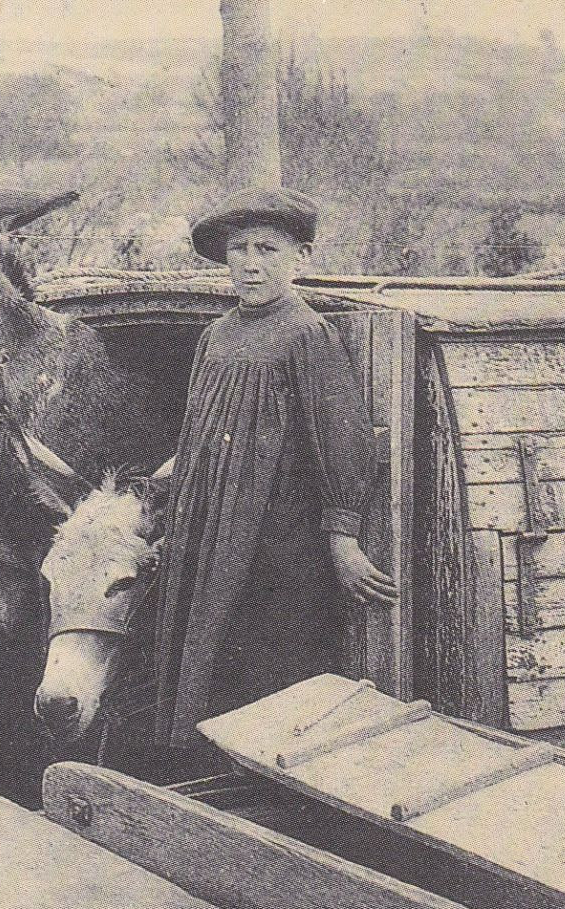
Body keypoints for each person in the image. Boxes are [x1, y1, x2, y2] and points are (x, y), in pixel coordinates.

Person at [152, 186, 399, 750]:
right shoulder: (214, 337)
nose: (251, 263)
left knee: (274, 672)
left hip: (278, 545)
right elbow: (199, 435)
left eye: (267, 249)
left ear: (300, 258)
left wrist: (344, 538)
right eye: (240, 249)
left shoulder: (309, 335)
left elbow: (345, 443)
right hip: (209, 536)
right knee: (210, 662)